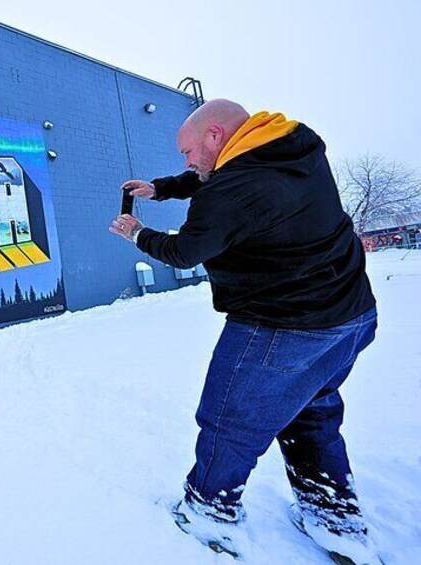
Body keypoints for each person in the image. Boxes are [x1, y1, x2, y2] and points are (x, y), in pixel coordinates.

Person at [110, 99, 378, 562]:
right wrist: (163, 188)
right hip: (350, 316)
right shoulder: (292, 147)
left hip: (283, 325)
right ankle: (332, 515)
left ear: (215, 135)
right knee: (309, 410)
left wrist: (137, 232)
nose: (187, 162)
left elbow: (184, 252)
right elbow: (213, 173)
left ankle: (207, 511)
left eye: (187, 151)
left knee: (232, 419)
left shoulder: (230, 192)